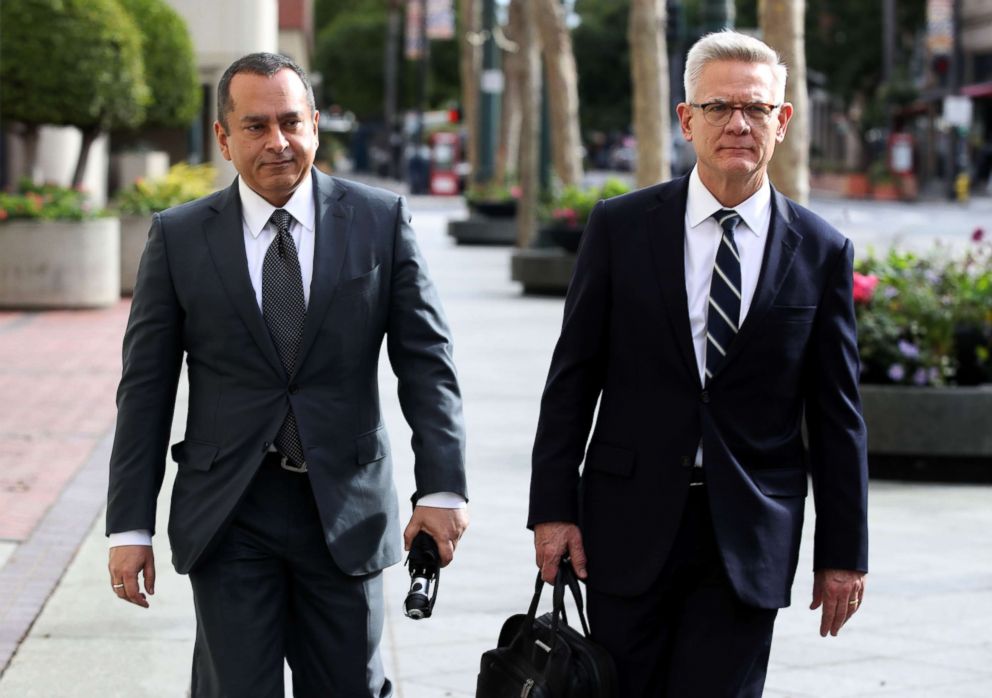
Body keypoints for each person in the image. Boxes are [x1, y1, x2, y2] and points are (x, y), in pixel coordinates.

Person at [105, 52, 468, 697]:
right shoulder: (179, 237)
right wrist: (130, 527)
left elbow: (426, 363)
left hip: (346, 510)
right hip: (230, 512)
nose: (277, 142)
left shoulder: (380, 221)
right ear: (223, 137)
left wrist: (441, 489)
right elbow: (146, 391)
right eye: (255, 126)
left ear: (316, 126)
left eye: (291, 122)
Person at [528, 30, 868, 697]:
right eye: (718, 108)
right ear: (686, 120)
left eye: (757, 109)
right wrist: (552, 510)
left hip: (748, 534)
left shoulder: (822, 251)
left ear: (783, 121)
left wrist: (843, 554)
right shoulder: (620, 229)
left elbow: (838, 418)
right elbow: (572, 380)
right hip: (625, 526)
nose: (739, 123)